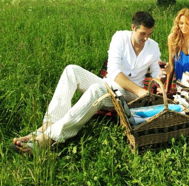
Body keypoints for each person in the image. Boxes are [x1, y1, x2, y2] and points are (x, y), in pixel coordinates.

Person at [13, 11, 161, 153]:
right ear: (133, 28)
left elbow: (156, 72)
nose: (146, 38)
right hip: (112, 84)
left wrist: (159, 84)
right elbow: (114, 72)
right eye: (143, 33)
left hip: (128, 95)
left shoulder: (153, 46)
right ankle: (48, 125)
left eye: (150, 34)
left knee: (97, 89)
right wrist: (140, 90)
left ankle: (49, 137)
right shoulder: (119, 37)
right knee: (71, 70)